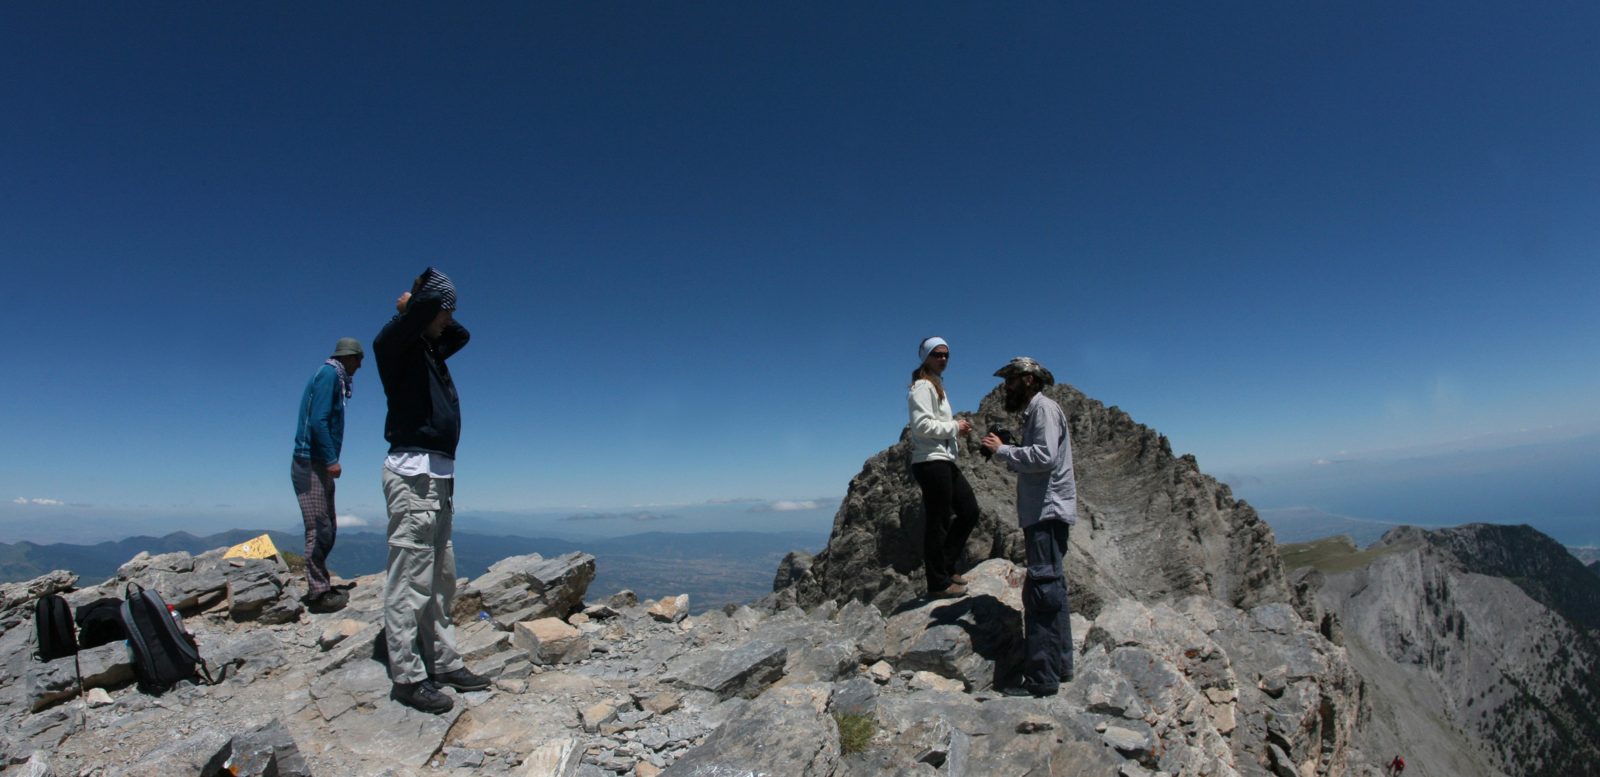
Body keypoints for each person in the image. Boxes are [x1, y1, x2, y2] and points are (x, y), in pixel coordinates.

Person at [373, 267, 489, 714]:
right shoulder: (395, 345)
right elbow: (425, 307)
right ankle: (407, 677)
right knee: (410, 582)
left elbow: (462, 336)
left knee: (440, 580)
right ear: (427, 308)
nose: (450, 320)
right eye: (446, 310)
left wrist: (434, 313)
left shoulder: (427, 348)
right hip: (413, 476)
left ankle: (442, 661)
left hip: (439, 478)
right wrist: (415, 305)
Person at [981, 356, 1077, 697]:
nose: (1005, 387)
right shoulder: (1038, 411)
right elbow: (1041, 455)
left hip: (1045, 513)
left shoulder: (1043, 410)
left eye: (1010, 380)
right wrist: (1013, 449)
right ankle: (1061, 666)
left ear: (1028, 380)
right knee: (1052, 589)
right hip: (1046, 513)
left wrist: (1004, 450)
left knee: (1042, 593)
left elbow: (1045, 457)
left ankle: (1041, 679)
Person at [291, 337, 363, 613]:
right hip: (311, 461)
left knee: (327, 527)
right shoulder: (329, 375)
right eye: (358, 359)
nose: (360, 365)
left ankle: (321, 585)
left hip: (316, 462)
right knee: (319, 527)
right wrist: (331, 459)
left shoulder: (334, 377)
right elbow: (318, 419)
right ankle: (319, 594)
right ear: (349, 356)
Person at [908, 336, 982, 599]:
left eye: (946, 355)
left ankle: (946, 567)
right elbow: (921, 426)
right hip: (930, 461)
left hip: (942, 459)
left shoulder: (935, 385)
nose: (942, 359)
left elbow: (932, 423)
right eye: (937, 354)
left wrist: (955, 429)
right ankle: (937, 583)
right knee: (938, 522)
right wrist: (954, 426)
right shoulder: (922, 387)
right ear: (926, 357)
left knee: (969, 511)